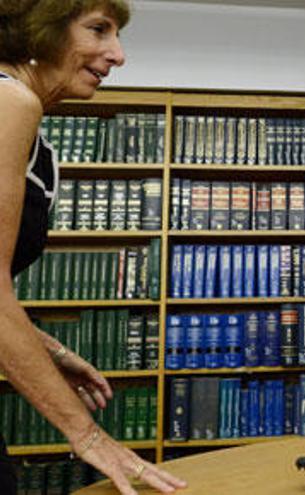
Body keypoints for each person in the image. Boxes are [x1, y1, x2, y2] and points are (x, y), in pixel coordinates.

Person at [0, 2, 186, 494]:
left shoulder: (33, 127)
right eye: (98, 30)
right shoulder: (10, 102)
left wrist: (50, 350)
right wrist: (87, 435)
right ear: (38, 31)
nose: (118, 55)